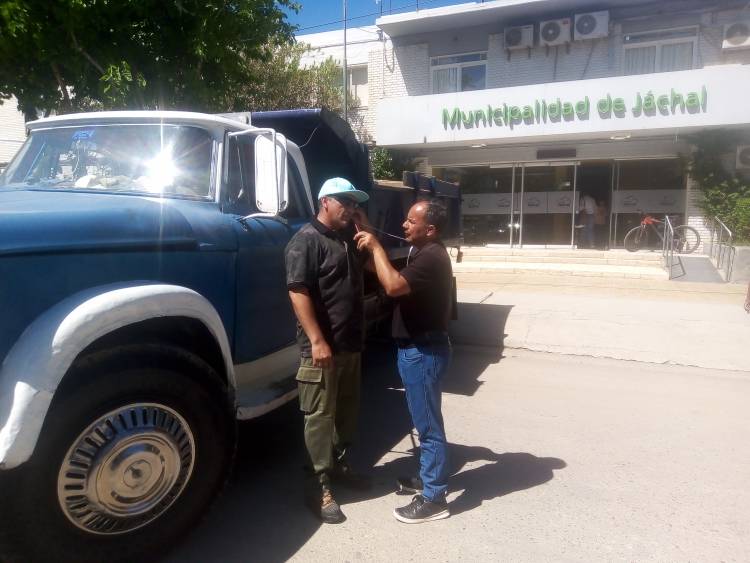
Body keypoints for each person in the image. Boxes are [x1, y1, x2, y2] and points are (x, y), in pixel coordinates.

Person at [354, 199, 453, 524]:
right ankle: (428, 479)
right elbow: (384, 273)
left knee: (428, 428)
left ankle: (434, 498)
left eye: (411, 222)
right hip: (416, 349)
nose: (404, 225)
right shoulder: (422, 251)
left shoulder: (433, 257)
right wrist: (365, 230)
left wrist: (377, 247)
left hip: (423, 352)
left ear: (431, 229)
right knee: (424, 420)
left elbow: (394, 286)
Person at [284, 177, 372, 524]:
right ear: (325, 202)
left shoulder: (348, 239)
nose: (351, 208)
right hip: (322, 349)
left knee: (346, 413)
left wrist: (364, 231)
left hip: (350, 344)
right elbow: (297, 291)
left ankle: (338, 465)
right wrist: (318, 340)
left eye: (354, 204)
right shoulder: (305, 241)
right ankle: (317, 485)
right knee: (319, 419)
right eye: (345, 202)